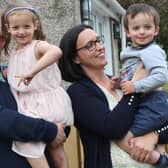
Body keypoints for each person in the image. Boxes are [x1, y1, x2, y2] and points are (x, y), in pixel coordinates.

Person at [58, 24, 168, 168]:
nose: (99, 47)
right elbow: (113, 128)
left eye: (98, 40)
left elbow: (162, 115)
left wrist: (154, 136)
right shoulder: (78, 93)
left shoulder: (120, 82)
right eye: (90, 45)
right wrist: (134, 87)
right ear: (76, 58)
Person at [0, 1, 73, 168]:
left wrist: (32, 71)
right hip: (36, 117)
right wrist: (50, 130)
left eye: (26, 26)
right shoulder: (13, 59)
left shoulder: (35, 47)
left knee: (52, 151)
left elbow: (55, 52)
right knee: (45, 149)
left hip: (45, 106)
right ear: (9, 28)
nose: (21, 32)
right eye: (15, 28)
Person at [117, 3, 168, 163]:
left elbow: (162, 75)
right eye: (136, 28)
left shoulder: (151, 51)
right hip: (143, 100)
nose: (142, 31)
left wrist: (135, 87)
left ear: (156, 30)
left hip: (152, 102)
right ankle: (161, 158)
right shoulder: (132, 52)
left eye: (147, 27)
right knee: (155, 141)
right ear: (127, 32)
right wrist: (119, 81)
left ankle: (159, 161)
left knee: (127, 138)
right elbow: (132, 74)